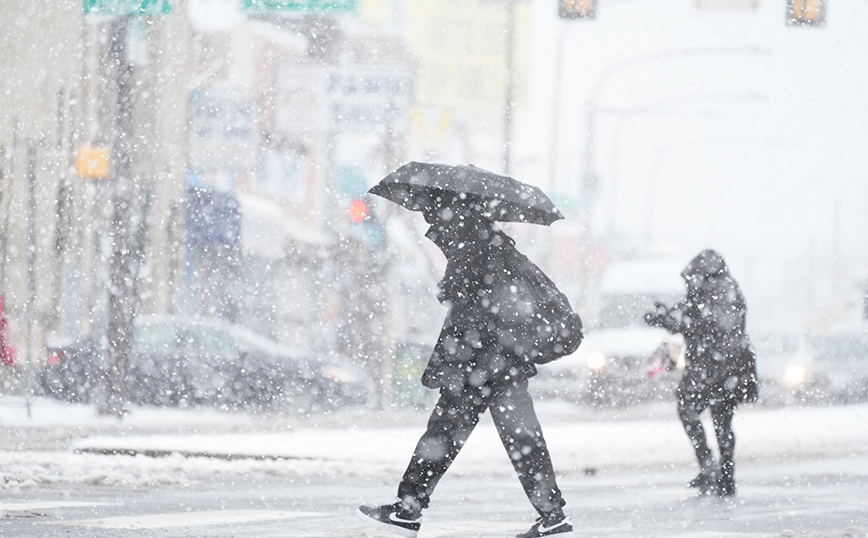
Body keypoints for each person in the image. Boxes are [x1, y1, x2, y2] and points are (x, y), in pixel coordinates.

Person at [357, 202, 579, 538]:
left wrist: (448, 285)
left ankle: (407, 511)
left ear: (455, 218)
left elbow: (465, 298)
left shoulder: (474, 246)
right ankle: (553, 516)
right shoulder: (495, 247)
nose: (433, 224)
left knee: (443, 435)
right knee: (521, 438)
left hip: (478, 364)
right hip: (501, 363)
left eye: (436, 217)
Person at [644, 249, 758, 497]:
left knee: (704, 414)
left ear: (703, 274)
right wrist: (668, 317)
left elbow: (711, 324)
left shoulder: (722, 290)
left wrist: (674, 321)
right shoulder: (715, 290)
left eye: (692, 279)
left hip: (718, 367)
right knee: (719, 419)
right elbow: (694, 317)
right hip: (720, 367)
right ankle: (719, 470)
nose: (690, 284)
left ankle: (716, 470)